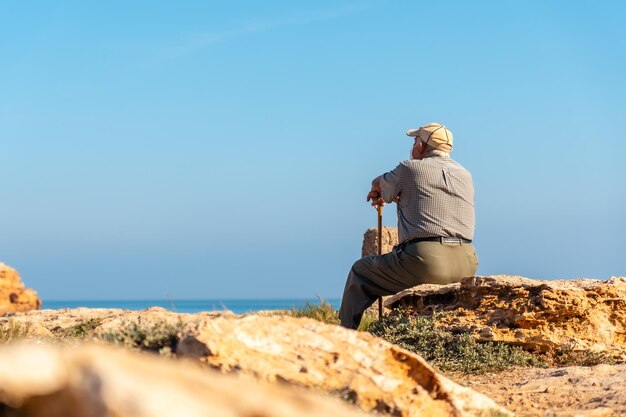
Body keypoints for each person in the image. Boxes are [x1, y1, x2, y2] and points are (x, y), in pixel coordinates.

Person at [339, 122, 478, 329]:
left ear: (421, 146)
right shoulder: (465, 175)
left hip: (425, 261)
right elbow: (429, 200)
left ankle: (344, 338)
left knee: (360, 272)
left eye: (415, 141)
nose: (413, 146)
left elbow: (379, 183)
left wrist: (376, 189)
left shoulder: (409, 168)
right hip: (467, 262)